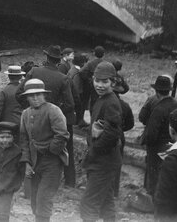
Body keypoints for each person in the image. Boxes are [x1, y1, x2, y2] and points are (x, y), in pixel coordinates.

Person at [25, 45, 77, 187]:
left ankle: (32, 180)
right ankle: (69, 182)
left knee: (32, 145)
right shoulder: (63, 78)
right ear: (58, 61)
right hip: (56, 120)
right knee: (65, 149)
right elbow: (70, 104)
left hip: (35, 118)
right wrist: (55, 111)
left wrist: (33, 107)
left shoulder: (34, 71)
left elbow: (19, 93)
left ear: (46, 58)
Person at [18, 78, 69, 222]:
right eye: (31, 95)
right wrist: (27, 161)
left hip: (52, 162)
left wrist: (50, 150)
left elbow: (62, 134)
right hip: (35, 162)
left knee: (44, 198)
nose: (35, 98)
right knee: (34, 199)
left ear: (44, 95)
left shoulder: (53, 110)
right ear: (26, 97)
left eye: (38, 94)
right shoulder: (26, 114)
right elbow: (24, 140)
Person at [79, 61, 123, 222]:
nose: (100, 85)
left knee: (88, 204)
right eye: (97, 81)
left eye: (105, 82)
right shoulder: (101, 99)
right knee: (106, 202)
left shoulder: (111, 102)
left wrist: (94, 150)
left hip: (103, 161)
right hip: (104, 160)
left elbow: (112, 134)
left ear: (113, 82)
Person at [138, 74, 177, 196]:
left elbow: (151, 133)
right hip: (174, 144)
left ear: (157, 91)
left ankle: (152, 199)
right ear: (169, 90)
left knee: (154, 174)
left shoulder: (158, 109)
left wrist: (148, 144)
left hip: (157, 146)